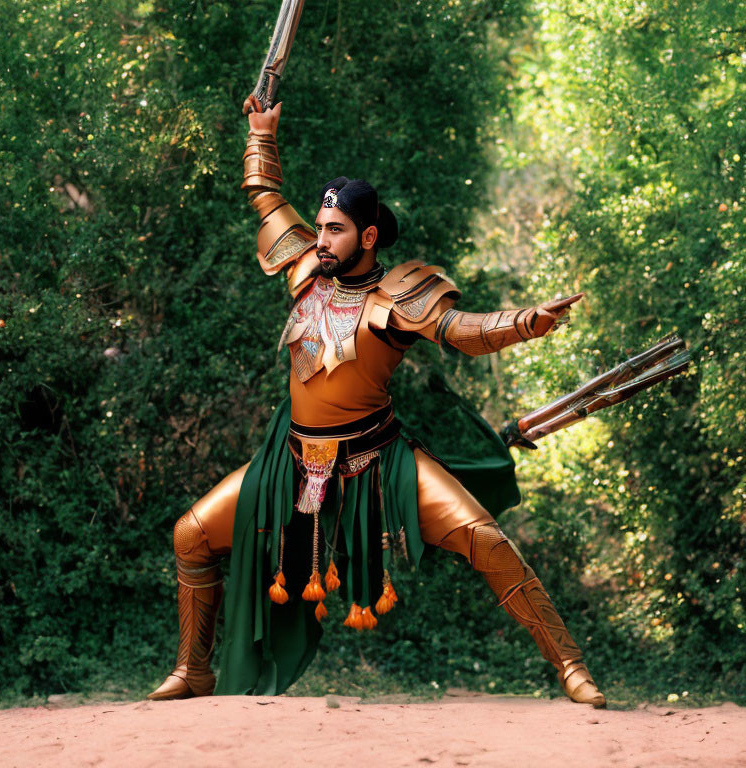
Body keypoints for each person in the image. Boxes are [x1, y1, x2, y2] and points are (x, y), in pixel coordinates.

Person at [147, 97, 605, 708]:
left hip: (378, 462)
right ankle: (193, 670)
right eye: (320, 227)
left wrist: (525, 321)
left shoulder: (400, 296)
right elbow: (264, 195)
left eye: (334, 230)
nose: (322, 239)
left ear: (367, 234)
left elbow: (464, 329)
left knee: (490, 543)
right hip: (293, 465)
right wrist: (261, 135)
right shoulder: (308, 269)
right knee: (190, 535)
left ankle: (571, 666)